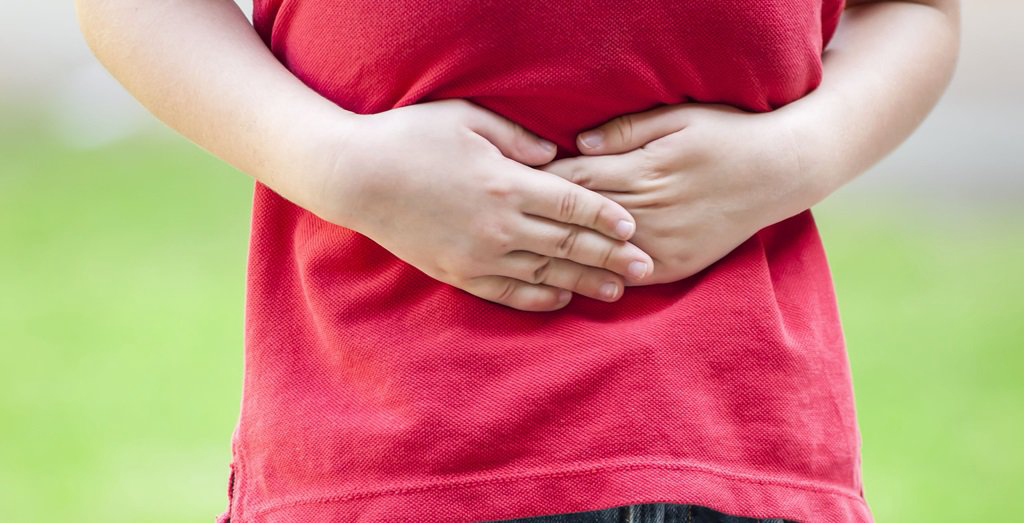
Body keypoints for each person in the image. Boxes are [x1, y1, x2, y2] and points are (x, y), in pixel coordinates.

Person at [75, 0, 960, 521]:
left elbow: (915, 9)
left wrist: (795, 157)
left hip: (742, 439)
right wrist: (340, 166)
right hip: (390, 447)